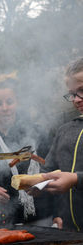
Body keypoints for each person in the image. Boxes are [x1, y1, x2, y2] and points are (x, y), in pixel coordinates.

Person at [0, 77, 52, 225]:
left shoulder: (37, 132)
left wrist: (40, 184)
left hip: (42, 217)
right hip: (1, 219)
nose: (5, 108)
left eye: (9, 102)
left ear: (17, 103)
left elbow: (53, 169)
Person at [38, 57, 83, 231]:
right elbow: (47, 170)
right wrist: (37, 185)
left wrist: (76, 178)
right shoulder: (64, 130)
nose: (76, 99)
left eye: (82, 90)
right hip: (70, 232)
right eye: (72, 93)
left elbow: (73, 179)